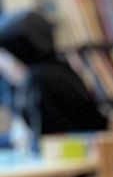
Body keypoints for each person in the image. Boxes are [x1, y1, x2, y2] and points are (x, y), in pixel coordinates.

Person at [0, 10, 106, 143]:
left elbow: (41, 139)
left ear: (18, 54)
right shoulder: (59, 69)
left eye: (5, 58)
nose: (3, 68)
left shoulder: (38, 80)